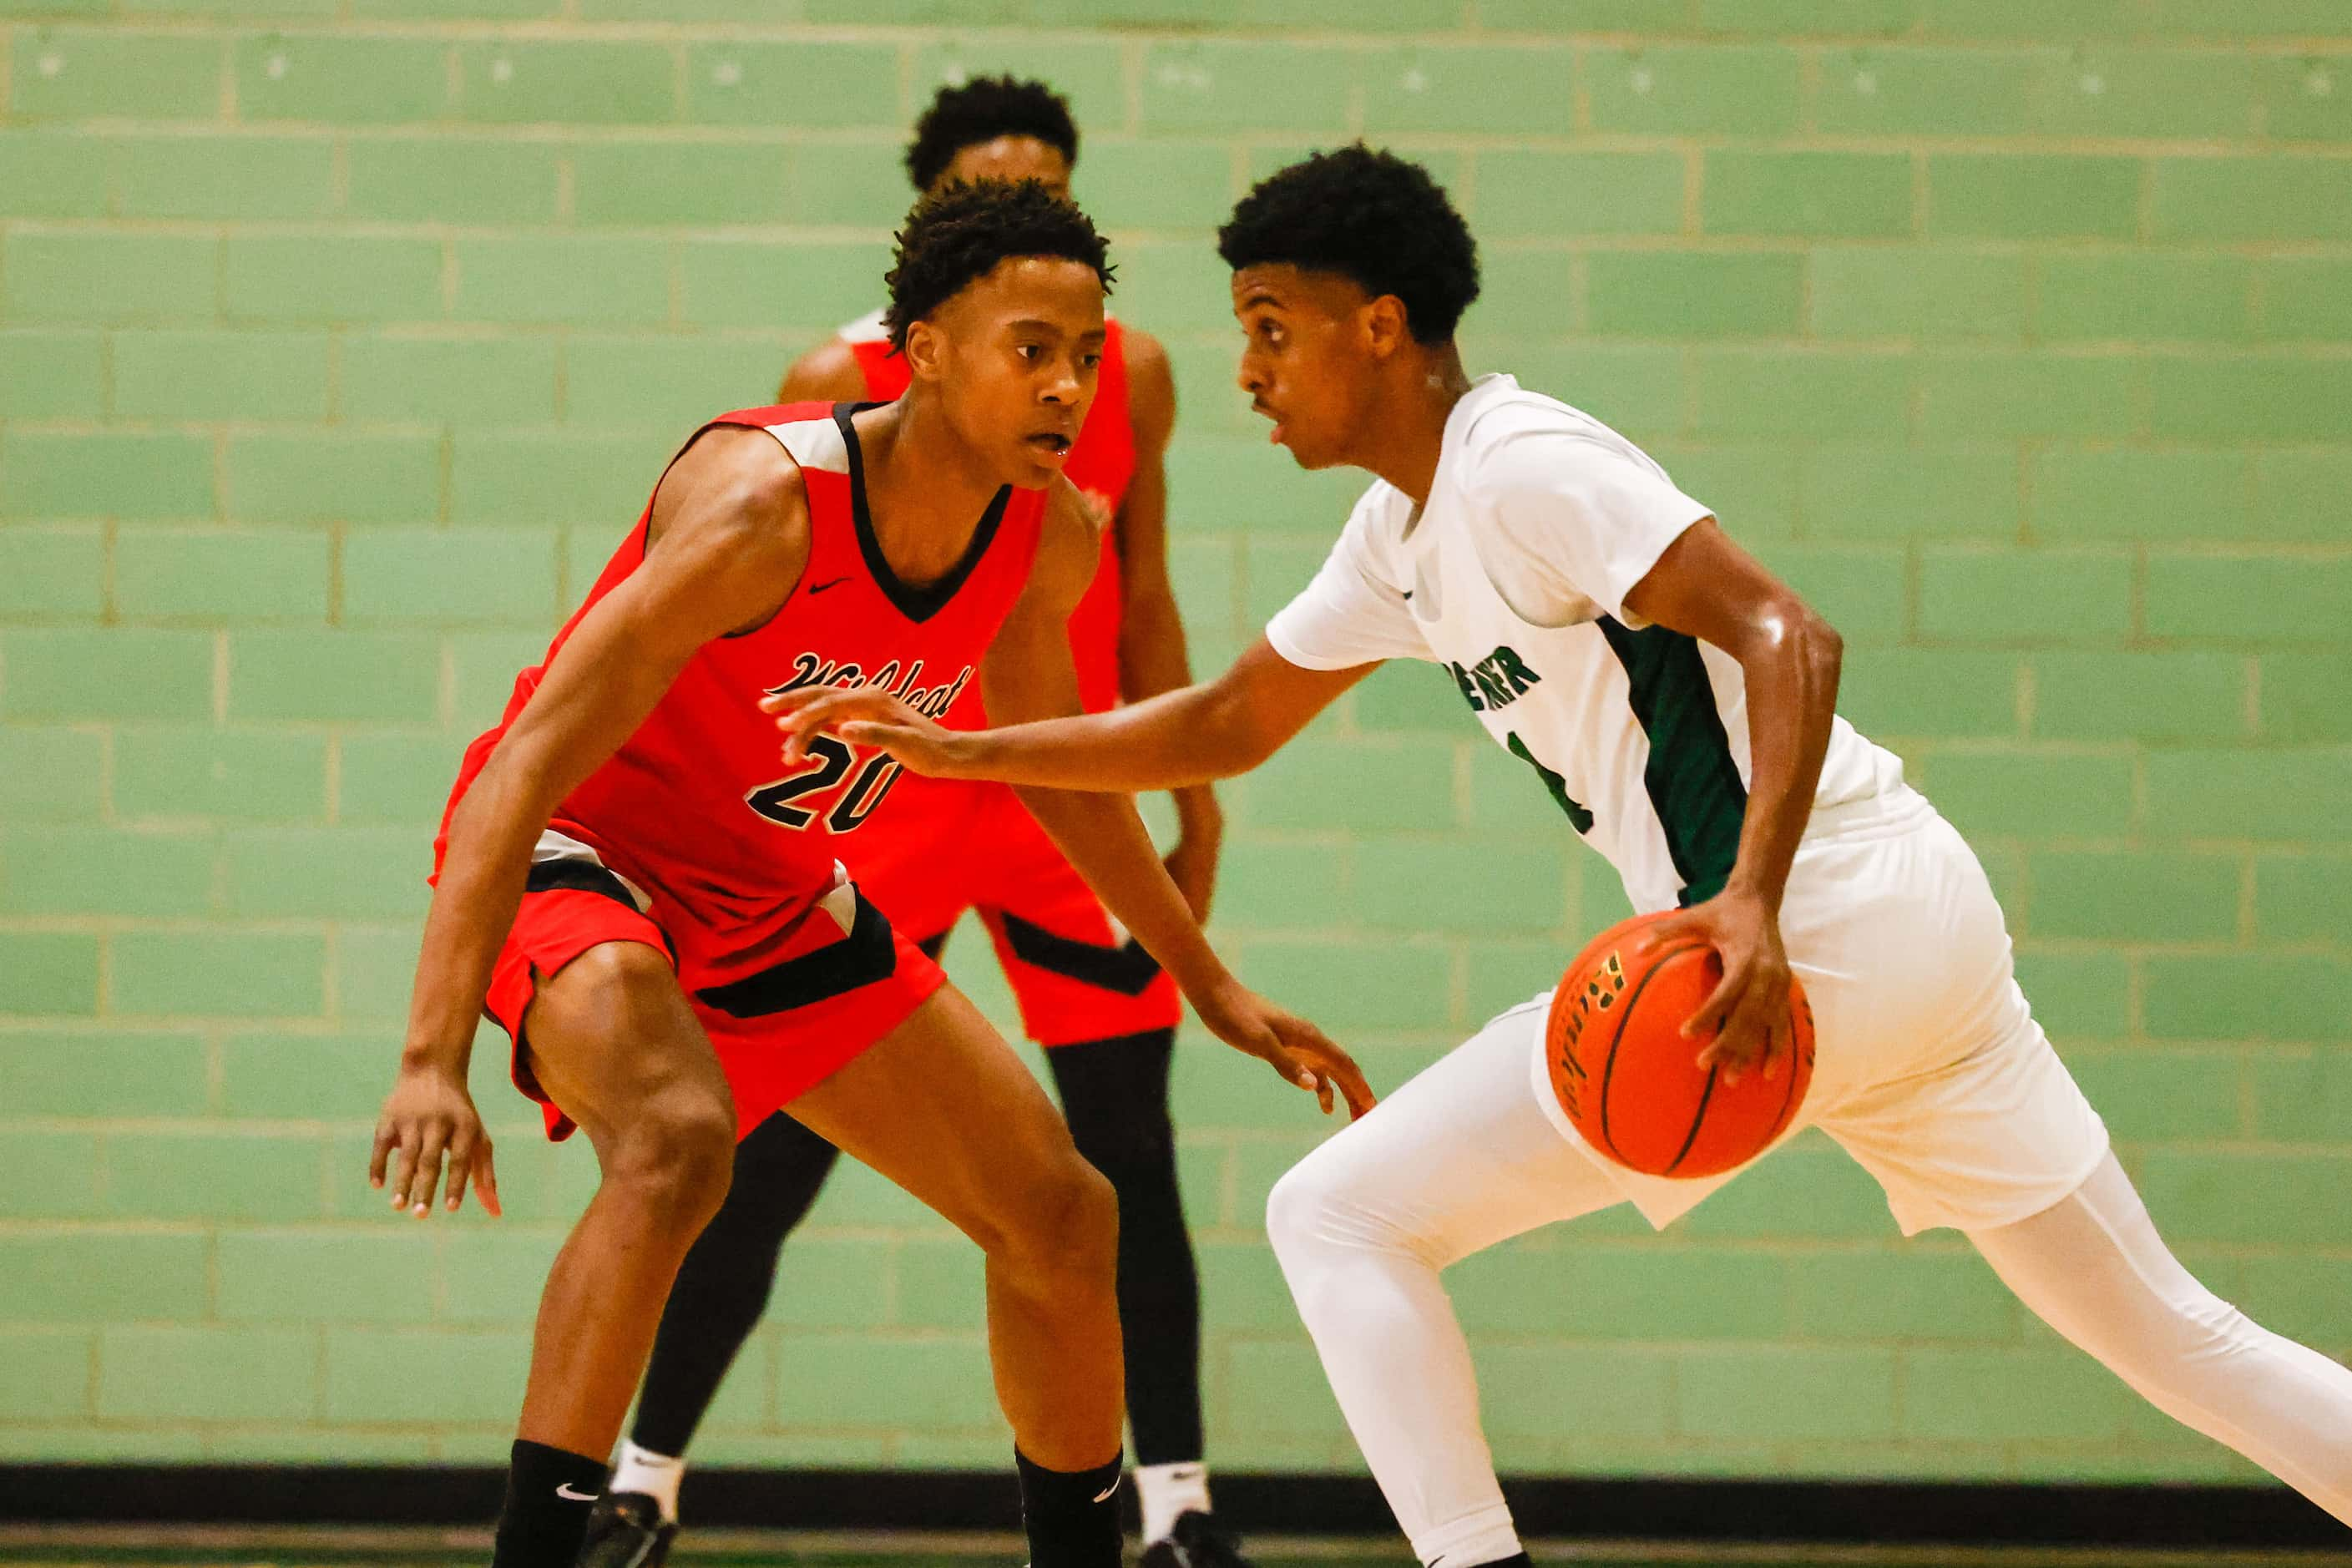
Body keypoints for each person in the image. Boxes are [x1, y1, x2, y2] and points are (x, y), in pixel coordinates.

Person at [767, 146, 2352, 1564]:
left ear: (1378, 326)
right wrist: (951, 744)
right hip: (1902, 934)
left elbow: (1792, 633)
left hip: (1813, 920)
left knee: (1338, 1217)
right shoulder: (1397, 534)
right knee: (2176, 1335)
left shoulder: (1524, 463)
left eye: (1271, 324)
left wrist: (1747, 904)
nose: (1246, 368)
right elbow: (1228, 722)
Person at [367, 180, 1368, 1568]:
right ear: (928, 349)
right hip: (586, 856)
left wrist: (1207, 981)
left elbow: (1045, 766)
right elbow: (518, 765)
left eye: (1085, 357)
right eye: (1032, 349)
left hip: (766, 888)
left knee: (1067, 1214)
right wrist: (430, 1057)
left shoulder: (1046, 535)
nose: (1069, 386)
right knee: (676, 1138)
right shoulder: (758, 508)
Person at [609, 77, 1246, 1567]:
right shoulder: (824, 386)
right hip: (896, 793)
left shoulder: (1126, 375)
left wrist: (1190, 792)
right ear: (929, 256)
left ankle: (1178, 1507)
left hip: (1054, 802)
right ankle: (642, 1478)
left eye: (1047, 189)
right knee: (769, 1154)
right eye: (981, 192)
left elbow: (1141, 597)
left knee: (1119, 1159)